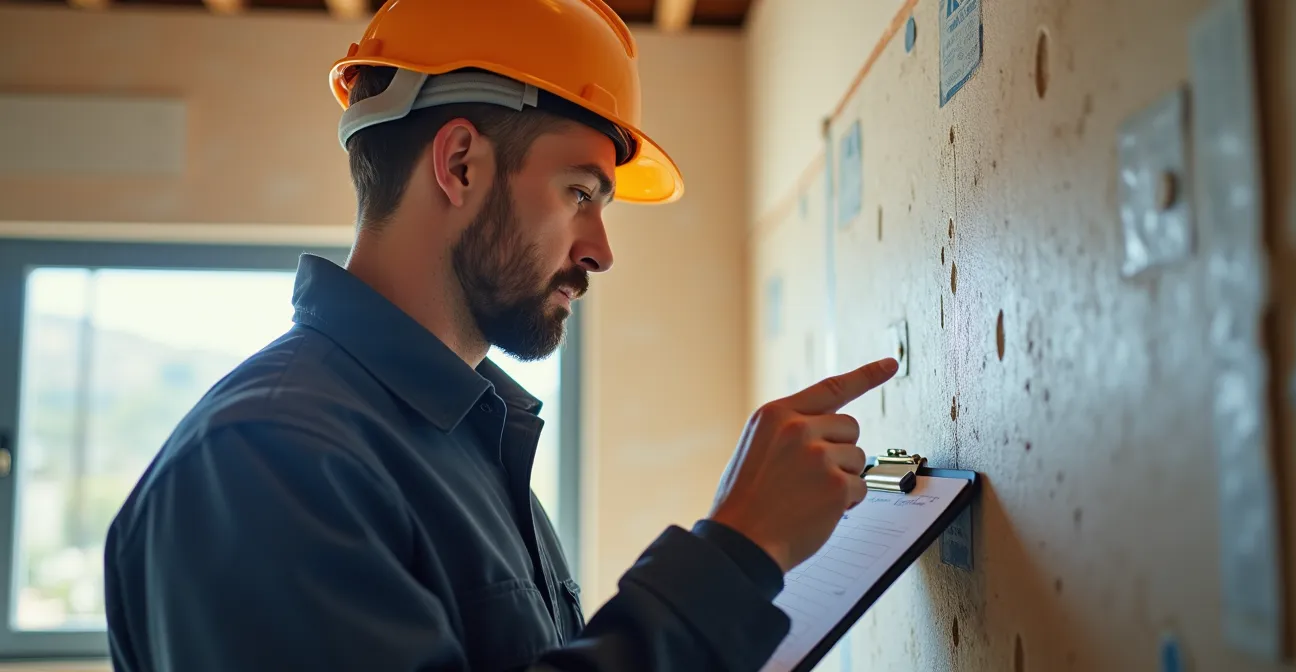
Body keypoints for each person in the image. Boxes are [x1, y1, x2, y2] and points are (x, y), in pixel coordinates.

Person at [101, 1, 900, 670]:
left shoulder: (462, 441)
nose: (600, 250)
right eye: (580, 192)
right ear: (459, 165)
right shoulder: (267, 460)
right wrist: (734, 553)